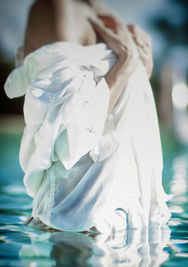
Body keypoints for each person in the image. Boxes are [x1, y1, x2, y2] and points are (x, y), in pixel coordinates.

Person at [4, 0, 171, 233]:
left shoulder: (110, 19)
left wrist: (142, 72)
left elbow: (120, 123)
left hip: (125, 229)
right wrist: (126, 64)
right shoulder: (57, 8)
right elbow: (69, 139)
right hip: (77, 231)